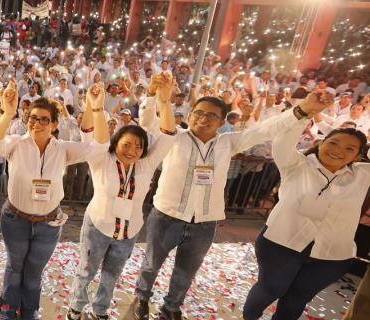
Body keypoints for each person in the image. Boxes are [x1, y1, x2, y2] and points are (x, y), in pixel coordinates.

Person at [131, 89, 307, 320]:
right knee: (151, 263)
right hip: (167, 216)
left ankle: (171, 306)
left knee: (186, 271)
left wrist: (301, 111)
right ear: (190, 114)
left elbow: (264, 129)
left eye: (212, 116)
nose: (203, 119)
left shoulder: (229, 142)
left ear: (222, 121)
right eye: (198, 113)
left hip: (204, 222)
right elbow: (147, 122)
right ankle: (142, 297)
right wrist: (153, 93)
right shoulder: (173, 137)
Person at [0, 81, 110, 320]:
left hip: (48, 224)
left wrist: (96, 108)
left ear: (54, 124)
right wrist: (8, 110)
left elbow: (100, 147)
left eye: (44, 119)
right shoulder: (15, 144)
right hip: (15, 219)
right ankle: (8, 309)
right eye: (33, 118)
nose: (37, 123)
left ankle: (29, 309)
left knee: (34, 270)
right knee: (14, 268)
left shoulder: (63, 149)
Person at [243, 90, 369, 320]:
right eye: (334, 142)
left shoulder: (363, 176)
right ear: (321, 143)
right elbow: (282, 142)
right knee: (270, 289)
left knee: (296, 299)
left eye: (349, 149)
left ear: (358, 157)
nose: (338, 151)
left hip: (331, 255)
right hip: (280, 243)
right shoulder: (296, 165)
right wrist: (306, 111)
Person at [68, 74, 179, 320]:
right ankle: (76, 307)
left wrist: (164, 100)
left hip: (129, 232)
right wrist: (93, 105)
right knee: (86, 271)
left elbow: (169, 134)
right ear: (117, 142)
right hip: (98, 226)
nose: (133, 151)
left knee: (111, 274)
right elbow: (89, 132)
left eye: (138, 147)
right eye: (127, 145)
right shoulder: (101, 159)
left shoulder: (146, 164)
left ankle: (100, 310)